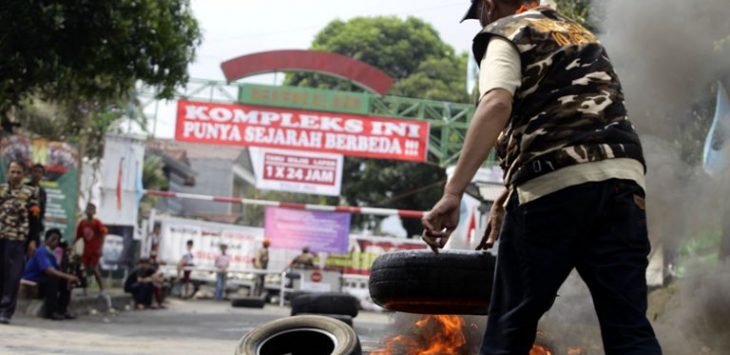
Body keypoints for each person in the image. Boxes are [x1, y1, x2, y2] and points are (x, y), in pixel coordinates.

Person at [421, 1, 662, 354]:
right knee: (629, 328)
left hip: (553, 192)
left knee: (509, 329)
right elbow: (571, 116)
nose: (481, 23)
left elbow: (497, 104)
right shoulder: (580, 34)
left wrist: (453, 192)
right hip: (623, 184)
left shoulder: (505, 34)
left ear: (489, 6)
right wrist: (508, 195)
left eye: (479, 16)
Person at [0, 161, 40, 324]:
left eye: (18, 172)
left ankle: (6, 311)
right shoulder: (1, 189)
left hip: (17, 239)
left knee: (12, 276)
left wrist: (32, 241)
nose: (15, 175)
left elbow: (35, 219)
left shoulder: (31, 192)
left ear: (23, 174)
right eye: (12, 172)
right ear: (8, 172)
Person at [22, 229, 79, 320]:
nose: (55, 242)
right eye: (53, 239)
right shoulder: (41, 251)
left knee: (65, 282)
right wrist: (67, 276)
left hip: (43, 280)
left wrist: (69, 278)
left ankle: (62, 310)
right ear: (46, 239)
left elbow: (57, 269)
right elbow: (48, 270)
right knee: (53, 279)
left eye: (57, 240)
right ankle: (51, 312)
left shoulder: (52, 254)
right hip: (34, 281)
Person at [75, 203, 107, 294]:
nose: (89, 211)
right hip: (86, 250)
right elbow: (78, 236)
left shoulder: (97, 223)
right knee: (84, 269)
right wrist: (71, 245)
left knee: (94, 268)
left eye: (91, 210)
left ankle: (102, 289)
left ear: (94, 212)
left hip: (95, 250)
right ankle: (85, 289)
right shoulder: (82, 223)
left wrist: (101, 248)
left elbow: (103, 234)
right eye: (88, 209)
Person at [25, 164, 46, 257]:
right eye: (35, 171)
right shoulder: (24, 187)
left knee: (33, 255)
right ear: (31, 173)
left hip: (36, 227)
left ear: (42, 175)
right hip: (25, 226)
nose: (37, 174)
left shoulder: (42, 192)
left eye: (39, 172)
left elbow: (42, 211)